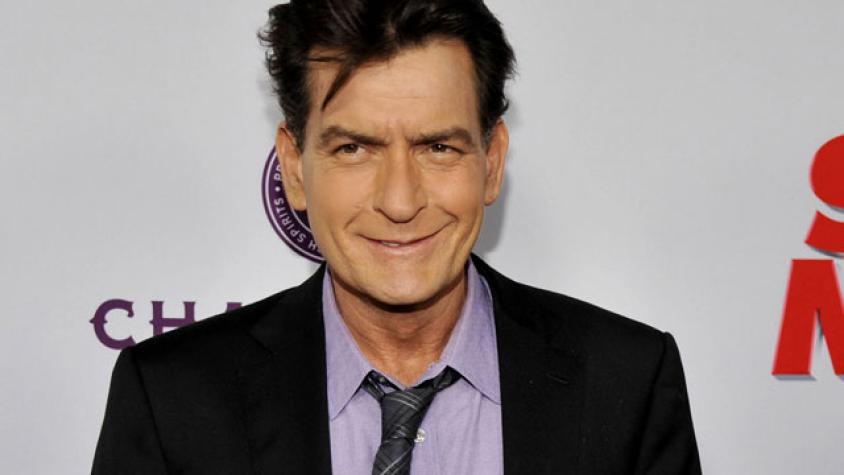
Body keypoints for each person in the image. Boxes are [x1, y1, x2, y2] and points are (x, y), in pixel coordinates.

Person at [92, 0, 701, 473]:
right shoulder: (172, 401)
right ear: (294, 167)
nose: (401, 202)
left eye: (438, 147)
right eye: (354, 149)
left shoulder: (625, 384)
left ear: (491, 163)